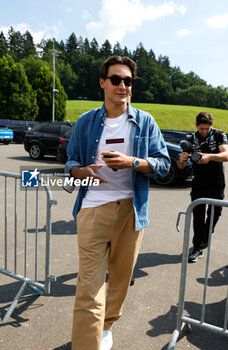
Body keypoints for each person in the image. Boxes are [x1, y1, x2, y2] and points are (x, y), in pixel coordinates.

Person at [65, 55, 170, 350]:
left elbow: (163, 164)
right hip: (93, 210)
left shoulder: (145, 122)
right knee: (89, 288)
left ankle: (107, 325)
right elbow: (69, 162)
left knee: (121, 280)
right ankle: (87, 344)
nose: (122, 85)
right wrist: (82, 172)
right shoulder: (86, 122)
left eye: (128, 81)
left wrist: (132, 162)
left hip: (131, 212)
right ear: (103, 83)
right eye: (116, 80)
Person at [178, 112, 228, 263]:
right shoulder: (190, 139)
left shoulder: (219, 135)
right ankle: (197, 247)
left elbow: (226, 155)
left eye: (207, 128)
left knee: (215, 213)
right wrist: (181, 161)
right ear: (196, 126)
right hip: (199, 183)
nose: (204, 132)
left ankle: (204, 238)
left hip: (216, 181)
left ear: (211, 126)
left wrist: (209, 157)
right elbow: (181, 167)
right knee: (198, 216)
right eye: (201, 129)